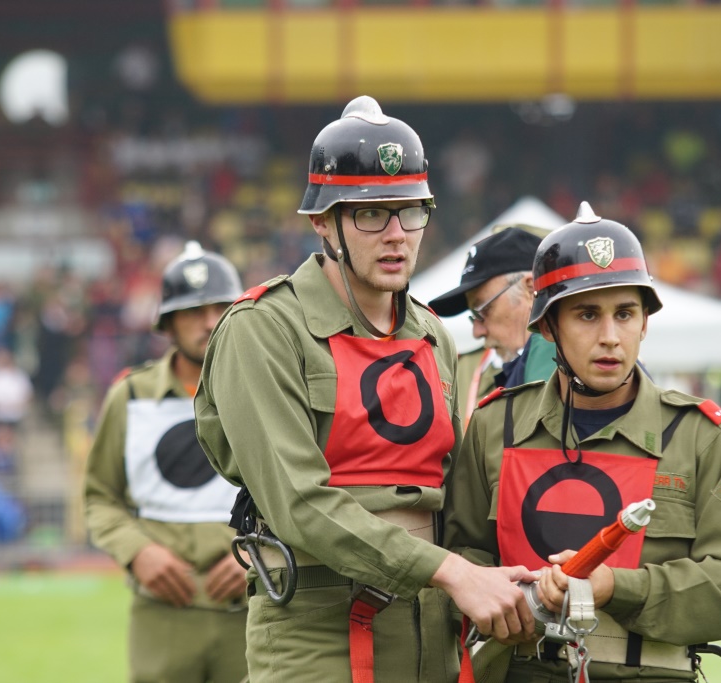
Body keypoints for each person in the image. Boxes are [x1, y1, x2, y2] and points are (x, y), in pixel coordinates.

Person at [195, 95, 538, 683]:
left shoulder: (432, 333)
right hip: (317, 630)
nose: (397, 235)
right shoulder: (263, 329)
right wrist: (454, 573)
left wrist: (507, 576)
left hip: (432, 630)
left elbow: (457, 493)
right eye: (371, 214)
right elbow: (299, 502)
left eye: (411, 212)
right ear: (322, 222)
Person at [445, 202, 721, 681]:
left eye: (625, 314)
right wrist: (507, 597)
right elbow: (458, 559)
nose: (610, 337)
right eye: (586, 315)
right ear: (547, 327)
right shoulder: (495, 425)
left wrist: (617, 588)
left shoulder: (703, 437)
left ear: (645, 323)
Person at [84, 241, 249, 683]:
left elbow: (306, 490)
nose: (209, 322)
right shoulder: (130, 397)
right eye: (193, 311)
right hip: (163, 611)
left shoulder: (268, 391)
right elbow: (99, 498)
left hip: (254, 603)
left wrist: (260, 554)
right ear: (169, 323)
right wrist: (138, 553)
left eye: (220, 308)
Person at [429, 226, 557, 426]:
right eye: (473, 316)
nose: (477, 332)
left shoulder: (569, 365)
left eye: (482, 311)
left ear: (531, 288)